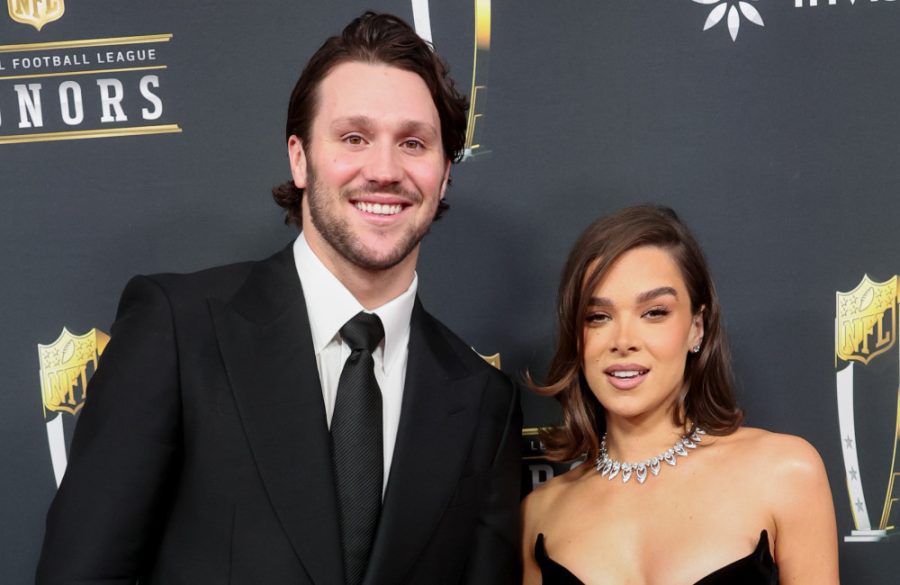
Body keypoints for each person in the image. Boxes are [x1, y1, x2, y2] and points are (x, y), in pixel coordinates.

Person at [36, 12, 520, 585]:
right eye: (354, 138)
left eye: (413, 143)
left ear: (443, 175)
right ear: (299, 158)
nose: (385, 170)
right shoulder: (180, 329)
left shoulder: (483, 400)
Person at [521, 205, 838, 584]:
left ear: (696, 329)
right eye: (598, 317)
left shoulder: (785, 473)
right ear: (577, 337)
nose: (623, 341)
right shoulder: (541, 514)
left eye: (654, 312)